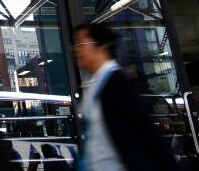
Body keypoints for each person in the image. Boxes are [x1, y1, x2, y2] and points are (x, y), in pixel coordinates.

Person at [74, 23, 178, 171]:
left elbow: (148, 134)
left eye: (81, 43)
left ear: (101, 46)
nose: (76, 50)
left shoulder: (117, 83)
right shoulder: (94, 84)